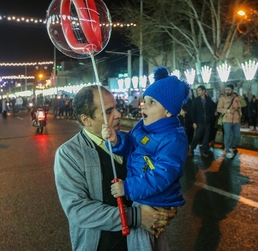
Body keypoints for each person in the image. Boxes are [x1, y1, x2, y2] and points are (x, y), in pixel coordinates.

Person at [54, 84, 176, 251]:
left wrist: (165, 207)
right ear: (86, 119)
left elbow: (162, 174)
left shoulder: (132, 141)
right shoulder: (70, 154)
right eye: (108, 111)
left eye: (116, 107)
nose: (118, 114)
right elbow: (78, 211)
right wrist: (136, 217)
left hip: (142, 243)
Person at [102, 66, 190, 251]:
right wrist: (116, 140)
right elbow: (131, 146)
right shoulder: (143, 126)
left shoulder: (173, 138)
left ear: (168, 112)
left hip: (153, 200)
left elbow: (162, 175)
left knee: (142, 243)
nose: (144, 106)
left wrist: (127, 187)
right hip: (143, 195)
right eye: (145, 101)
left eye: (152, 102)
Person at [190, 85, 217, 157]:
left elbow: (213, 107)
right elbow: (193, 112)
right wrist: (194, 122)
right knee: (197, 136)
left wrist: (211, 117)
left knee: (206, 137)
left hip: (207, 122)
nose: (198, 92)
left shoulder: (208, 100)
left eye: (199, 90)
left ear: (204, 91)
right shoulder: (196, 101)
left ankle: (205, 150)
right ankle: (192, 148)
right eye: (197, 91)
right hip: (199, 122)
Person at [217, 84, 242, 158]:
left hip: (235, 120)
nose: (227, 91)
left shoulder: (236, 98)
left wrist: (239, 113)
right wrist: (228, 111)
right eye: (226, 90)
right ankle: (227, 150)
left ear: (232, 90)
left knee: (237, 135)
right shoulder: (223, 98)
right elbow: (219, 109)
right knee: (227, 135)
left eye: (229, 90)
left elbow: (240, 106)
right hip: (226, 119)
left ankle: (232, 146)